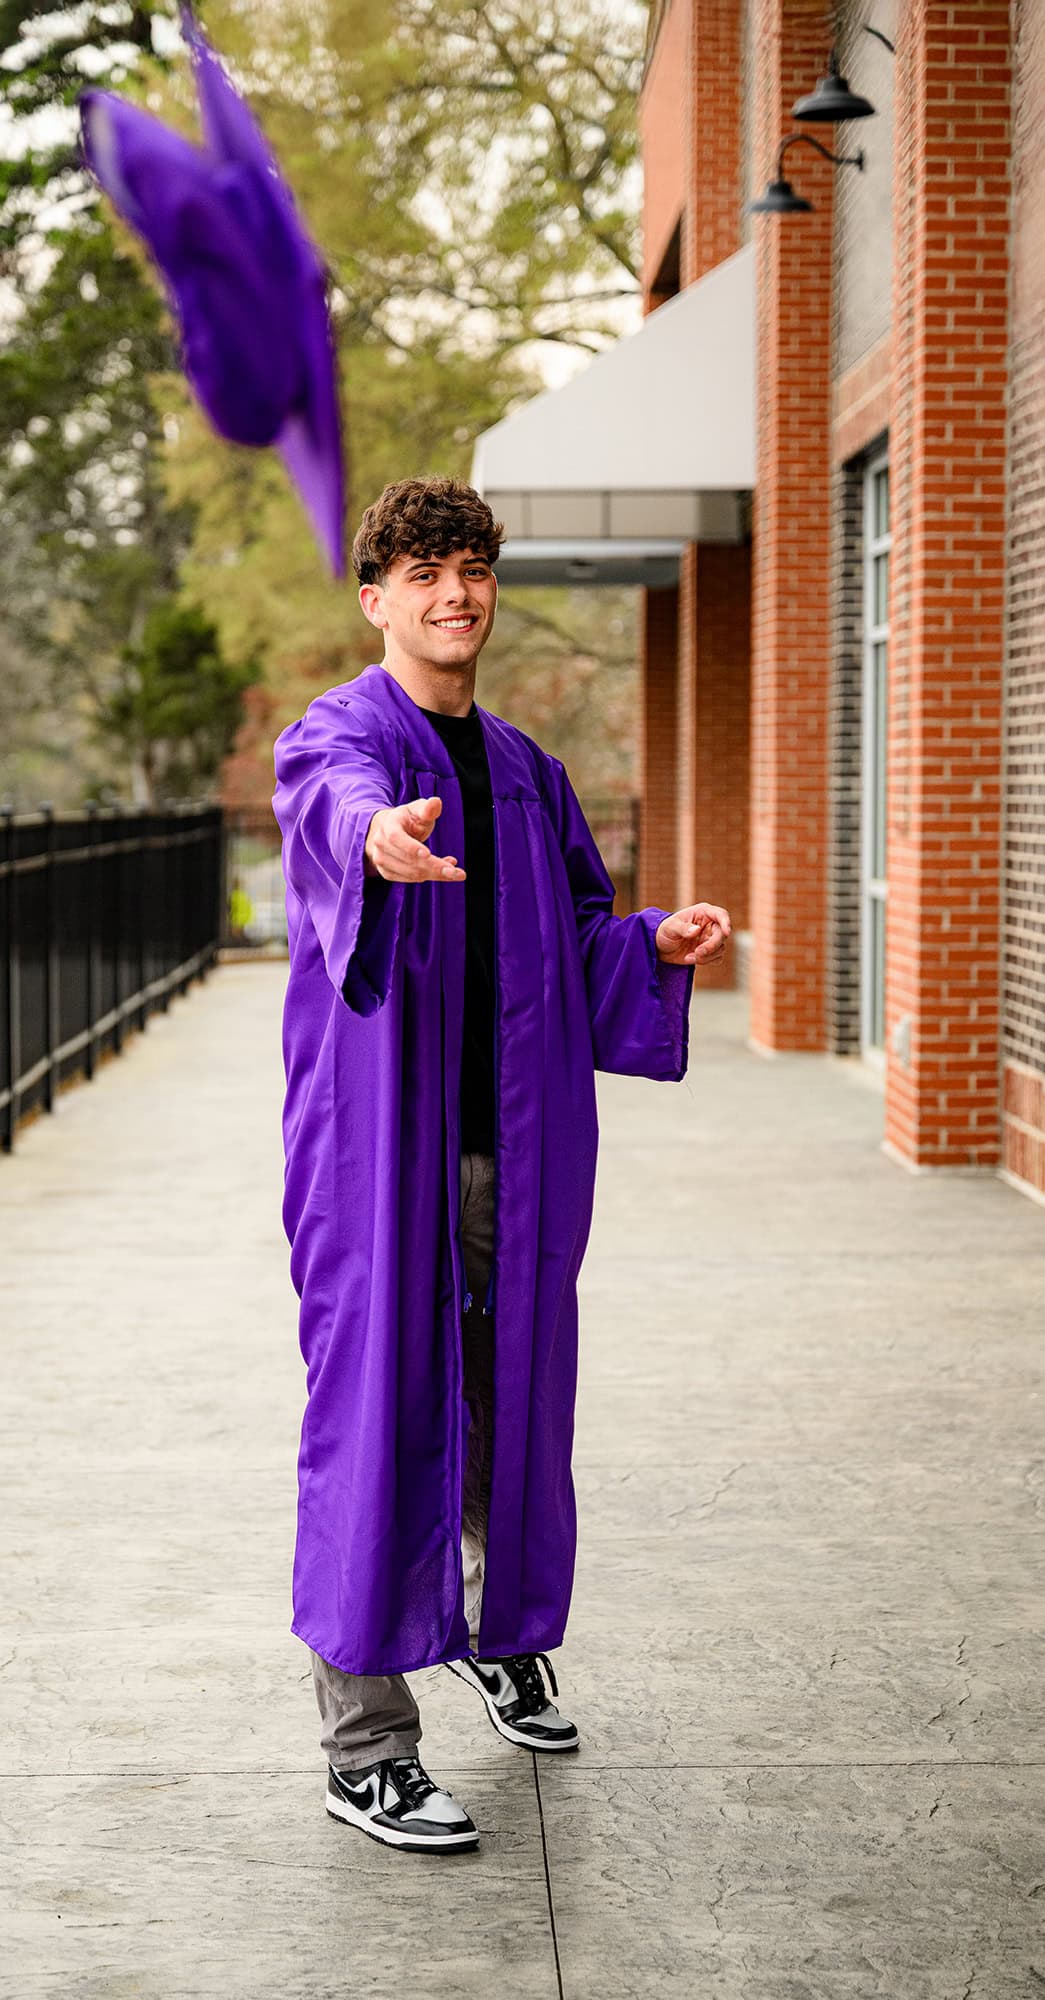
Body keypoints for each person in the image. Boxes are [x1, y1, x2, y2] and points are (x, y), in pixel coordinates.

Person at [271, 476, 730, 1855]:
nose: (451, 594)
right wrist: (372, 836)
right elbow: (328, 809)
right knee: (375, 1417)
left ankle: (492, 1631)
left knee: (508, 1406)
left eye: (469, 569)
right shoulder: (339, 736)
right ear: (375, 598)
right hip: (377, 1164)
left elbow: (576, 933)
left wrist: (644, 946)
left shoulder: (524, 771)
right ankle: (366, 1747)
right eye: (420, 574)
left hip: (511, 1162)